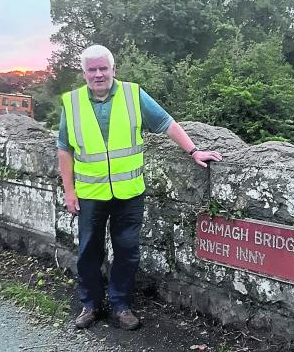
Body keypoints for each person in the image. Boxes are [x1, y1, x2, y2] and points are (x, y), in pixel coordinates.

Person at [57, 45, 222, 330]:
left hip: (129, 192)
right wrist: (69, 191)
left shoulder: (133, 94)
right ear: (84, 73)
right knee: (88, 252)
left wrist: (194, 150)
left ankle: (121, 305)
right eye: (92, 70)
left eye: (103, 68)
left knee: (126, 251)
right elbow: (64, 149)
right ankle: (90, 305)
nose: (99, 74)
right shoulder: (71, 103)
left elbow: (167, 123)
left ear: (113, 69)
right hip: (90, 194)